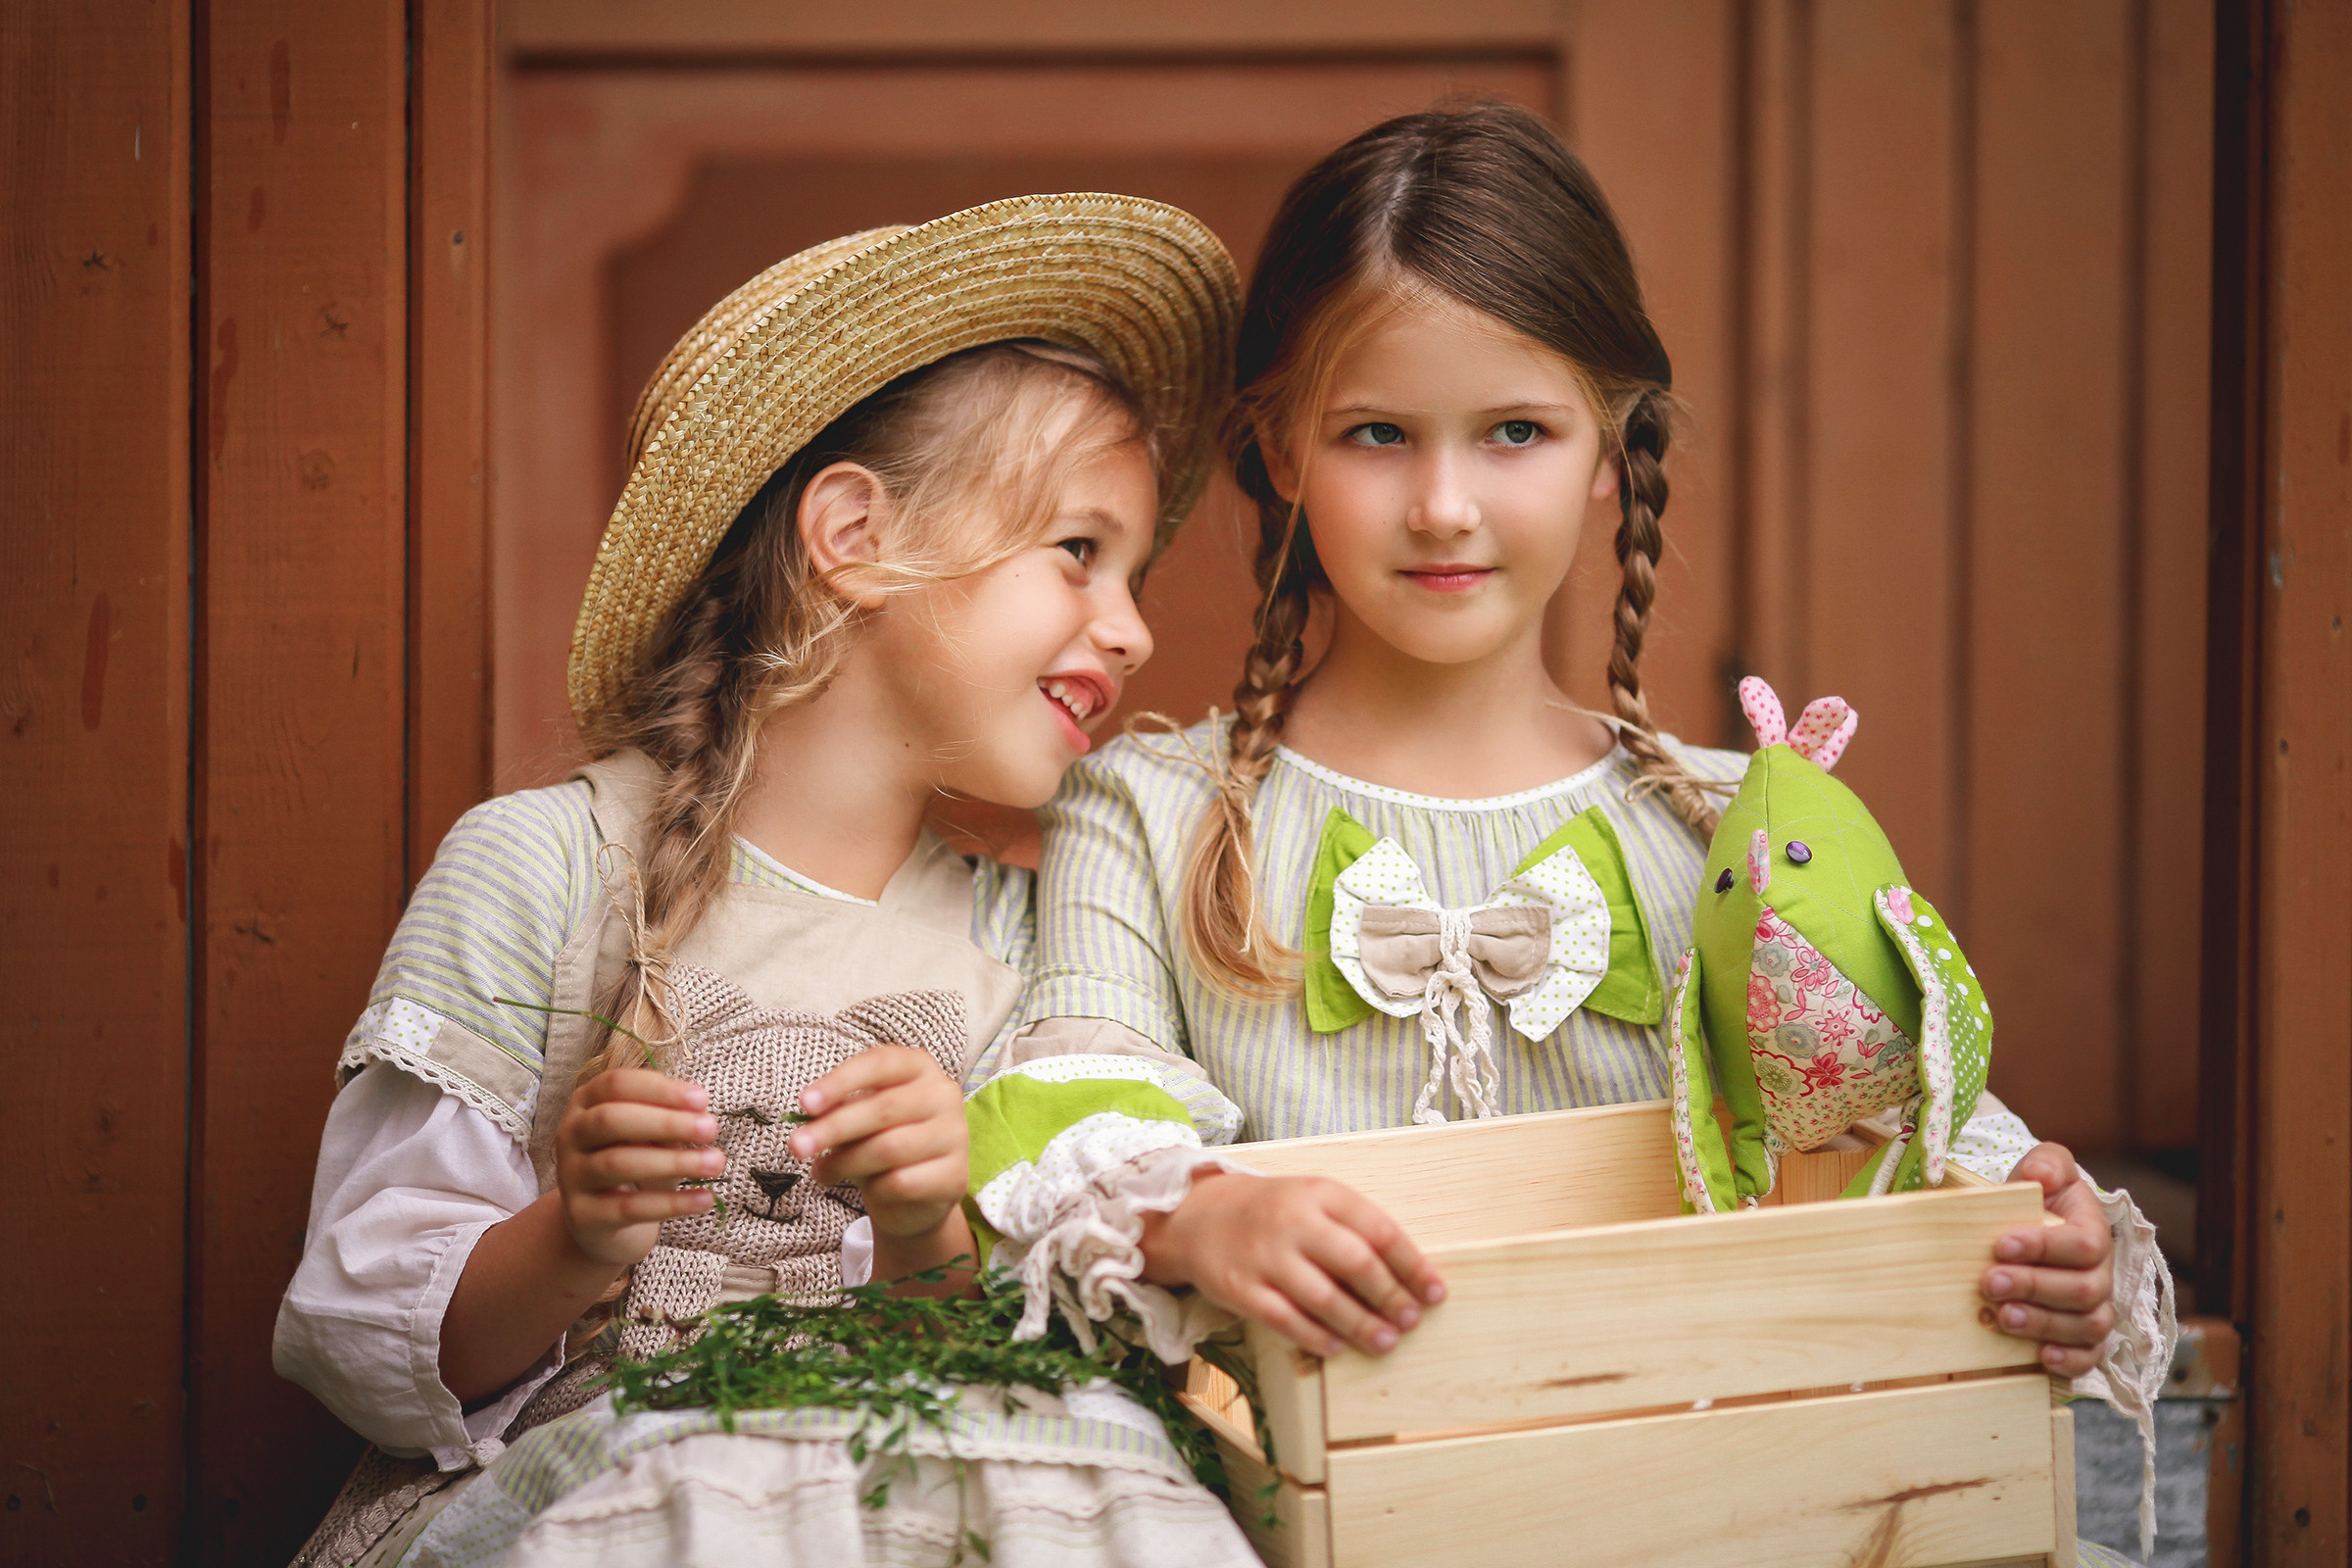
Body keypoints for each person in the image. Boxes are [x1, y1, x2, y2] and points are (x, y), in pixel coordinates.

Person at [966, 106, 2170, 1565]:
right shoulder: (1148, 817)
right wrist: (1202, 1216)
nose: (1446, 505)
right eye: (1376, 436)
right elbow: (1068, 1128)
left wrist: (2053, 1246)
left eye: (1517, 432)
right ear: (1278, 448)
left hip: (1735, 1515)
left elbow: (1916, 1135)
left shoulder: (1738, 824)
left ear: (1614, 452)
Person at [274, 197, 1260, 1568]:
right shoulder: (543, 870)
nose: (1136, 629)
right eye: (1080, 552)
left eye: (1135, 572)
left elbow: (990, 1371)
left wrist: (927, 1217)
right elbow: (364, 1346)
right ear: (852, 533)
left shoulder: (1031, 933)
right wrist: (572, 1235)